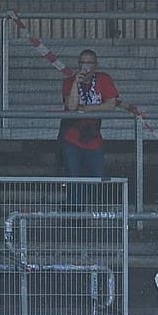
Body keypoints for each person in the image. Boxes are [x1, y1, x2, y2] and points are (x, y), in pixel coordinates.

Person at [60, 50, 121, 206]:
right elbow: (72, 106)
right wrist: (76, 84)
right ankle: (75, 214)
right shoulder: (69, 81)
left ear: (95, 65)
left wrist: (86, 109)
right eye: (82, 63)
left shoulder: (103, 79)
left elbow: (111, 105)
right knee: (74, 176)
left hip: (93, 136)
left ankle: (86, 208)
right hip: (72, 136)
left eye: (89, 63)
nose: (85, 67)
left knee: (96, 175)